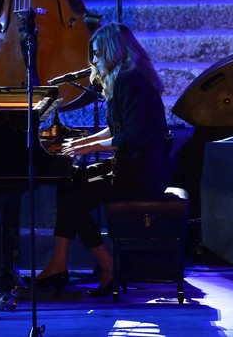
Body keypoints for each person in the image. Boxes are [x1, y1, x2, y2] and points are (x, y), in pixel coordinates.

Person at [29, 22, 173, 297]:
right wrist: (82, 143)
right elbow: (118, 127)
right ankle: (60, 263)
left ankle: (107, 267)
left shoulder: (130, 80)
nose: (92, 60)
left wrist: (89, 148)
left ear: (112, 51)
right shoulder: (127, 78)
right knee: (70, 184)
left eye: (96, 53)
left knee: (74, 196)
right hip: (134, 165)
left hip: (143, 172)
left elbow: (133, 137)